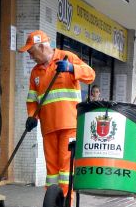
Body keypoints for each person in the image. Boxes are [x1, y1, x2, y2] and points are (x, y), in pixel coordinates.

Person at [19, 30, 95, 196]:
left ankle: (65, 202)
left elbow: (90, 75)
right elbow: (32, 99)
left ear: (41, 47)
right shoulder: (35, 73)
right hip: (48, 126)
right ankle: (52, 203)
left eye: (32, 52)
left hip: (69, 124)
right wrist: (32, 116)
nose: (31, 57)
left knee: (65, 165)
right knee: (52, 169)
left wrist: (72, 68)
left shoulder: (66, 57)